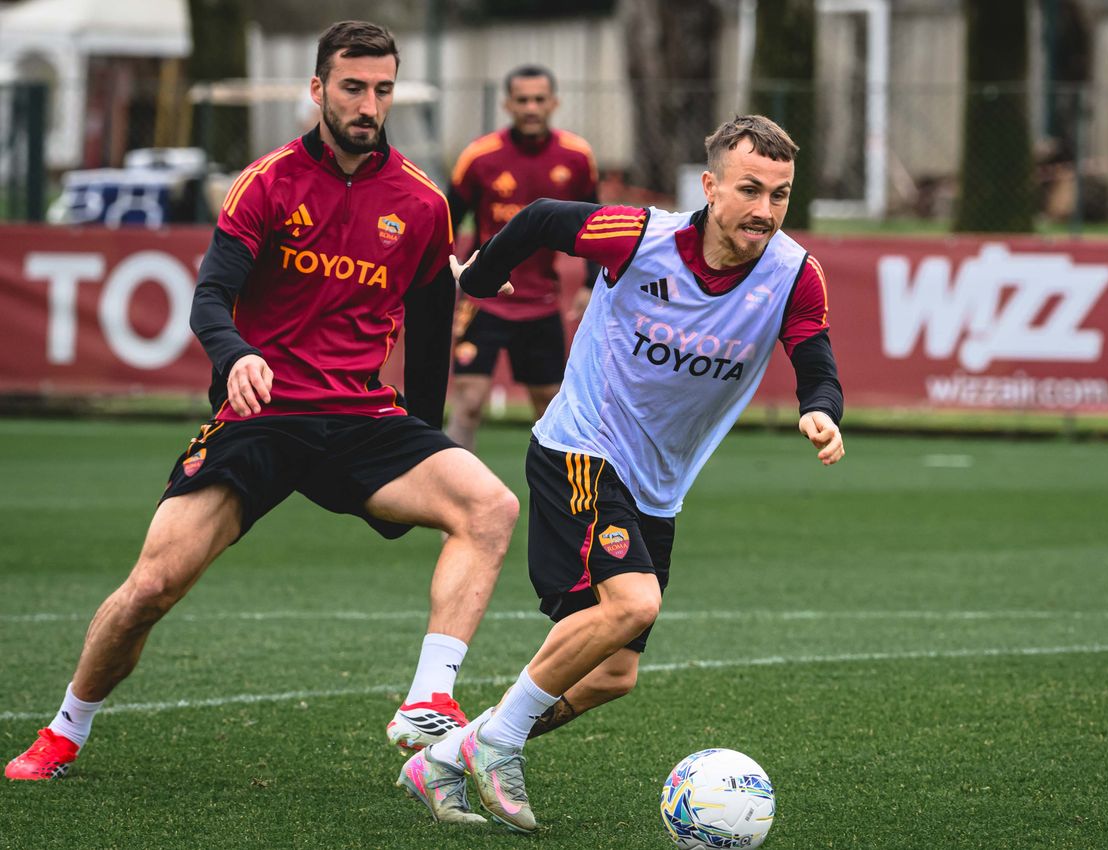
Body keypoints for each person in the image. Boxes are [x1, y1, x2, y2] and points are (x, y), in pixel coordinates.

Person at [4, 21, 519, 786]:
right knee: (150, 588)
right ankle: (64, 728)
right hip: (264, 414)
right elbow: (210, 296)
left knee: (489, 506)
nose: (367, 104)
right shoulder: (267, 182)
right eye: (352, 87)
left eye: (381, 89)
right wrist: (235, 354)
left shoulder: (419, 203)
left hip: (359, 419)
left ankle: (427, 697)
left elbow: (432, 323)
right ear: (317, 90)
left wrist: (427, 434)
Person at [396, 115, 844, 831]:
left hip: (655, 487)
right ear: (710, 187)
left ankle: (451, 754)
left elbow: (814, 356)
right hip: (580, 450)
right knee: (634, 604)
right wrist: (478, 279)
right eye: (750, 189)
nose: (764, 210)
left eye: (780, 194)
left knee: (612, 673)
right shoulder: (639, 236)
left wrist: (820, 409)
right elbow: (540, 218)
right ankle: (501, 745)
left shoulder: (792, 273)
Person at [445, 64, 600, 453]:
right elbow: (444, 221)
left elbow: (596, 223)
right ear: (507, 104)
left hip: (541, 302)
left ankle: (561, 502)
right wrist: (444, 280)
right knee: (468, 402)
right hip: (483, 298)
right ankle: (453, 494)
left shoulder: (577, 157)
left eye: (539, 99)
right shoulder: (479, 157)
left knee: (550, 407)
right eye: (522, 100)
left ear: (554, 103)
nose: (531, 107)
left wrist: (588, 281)